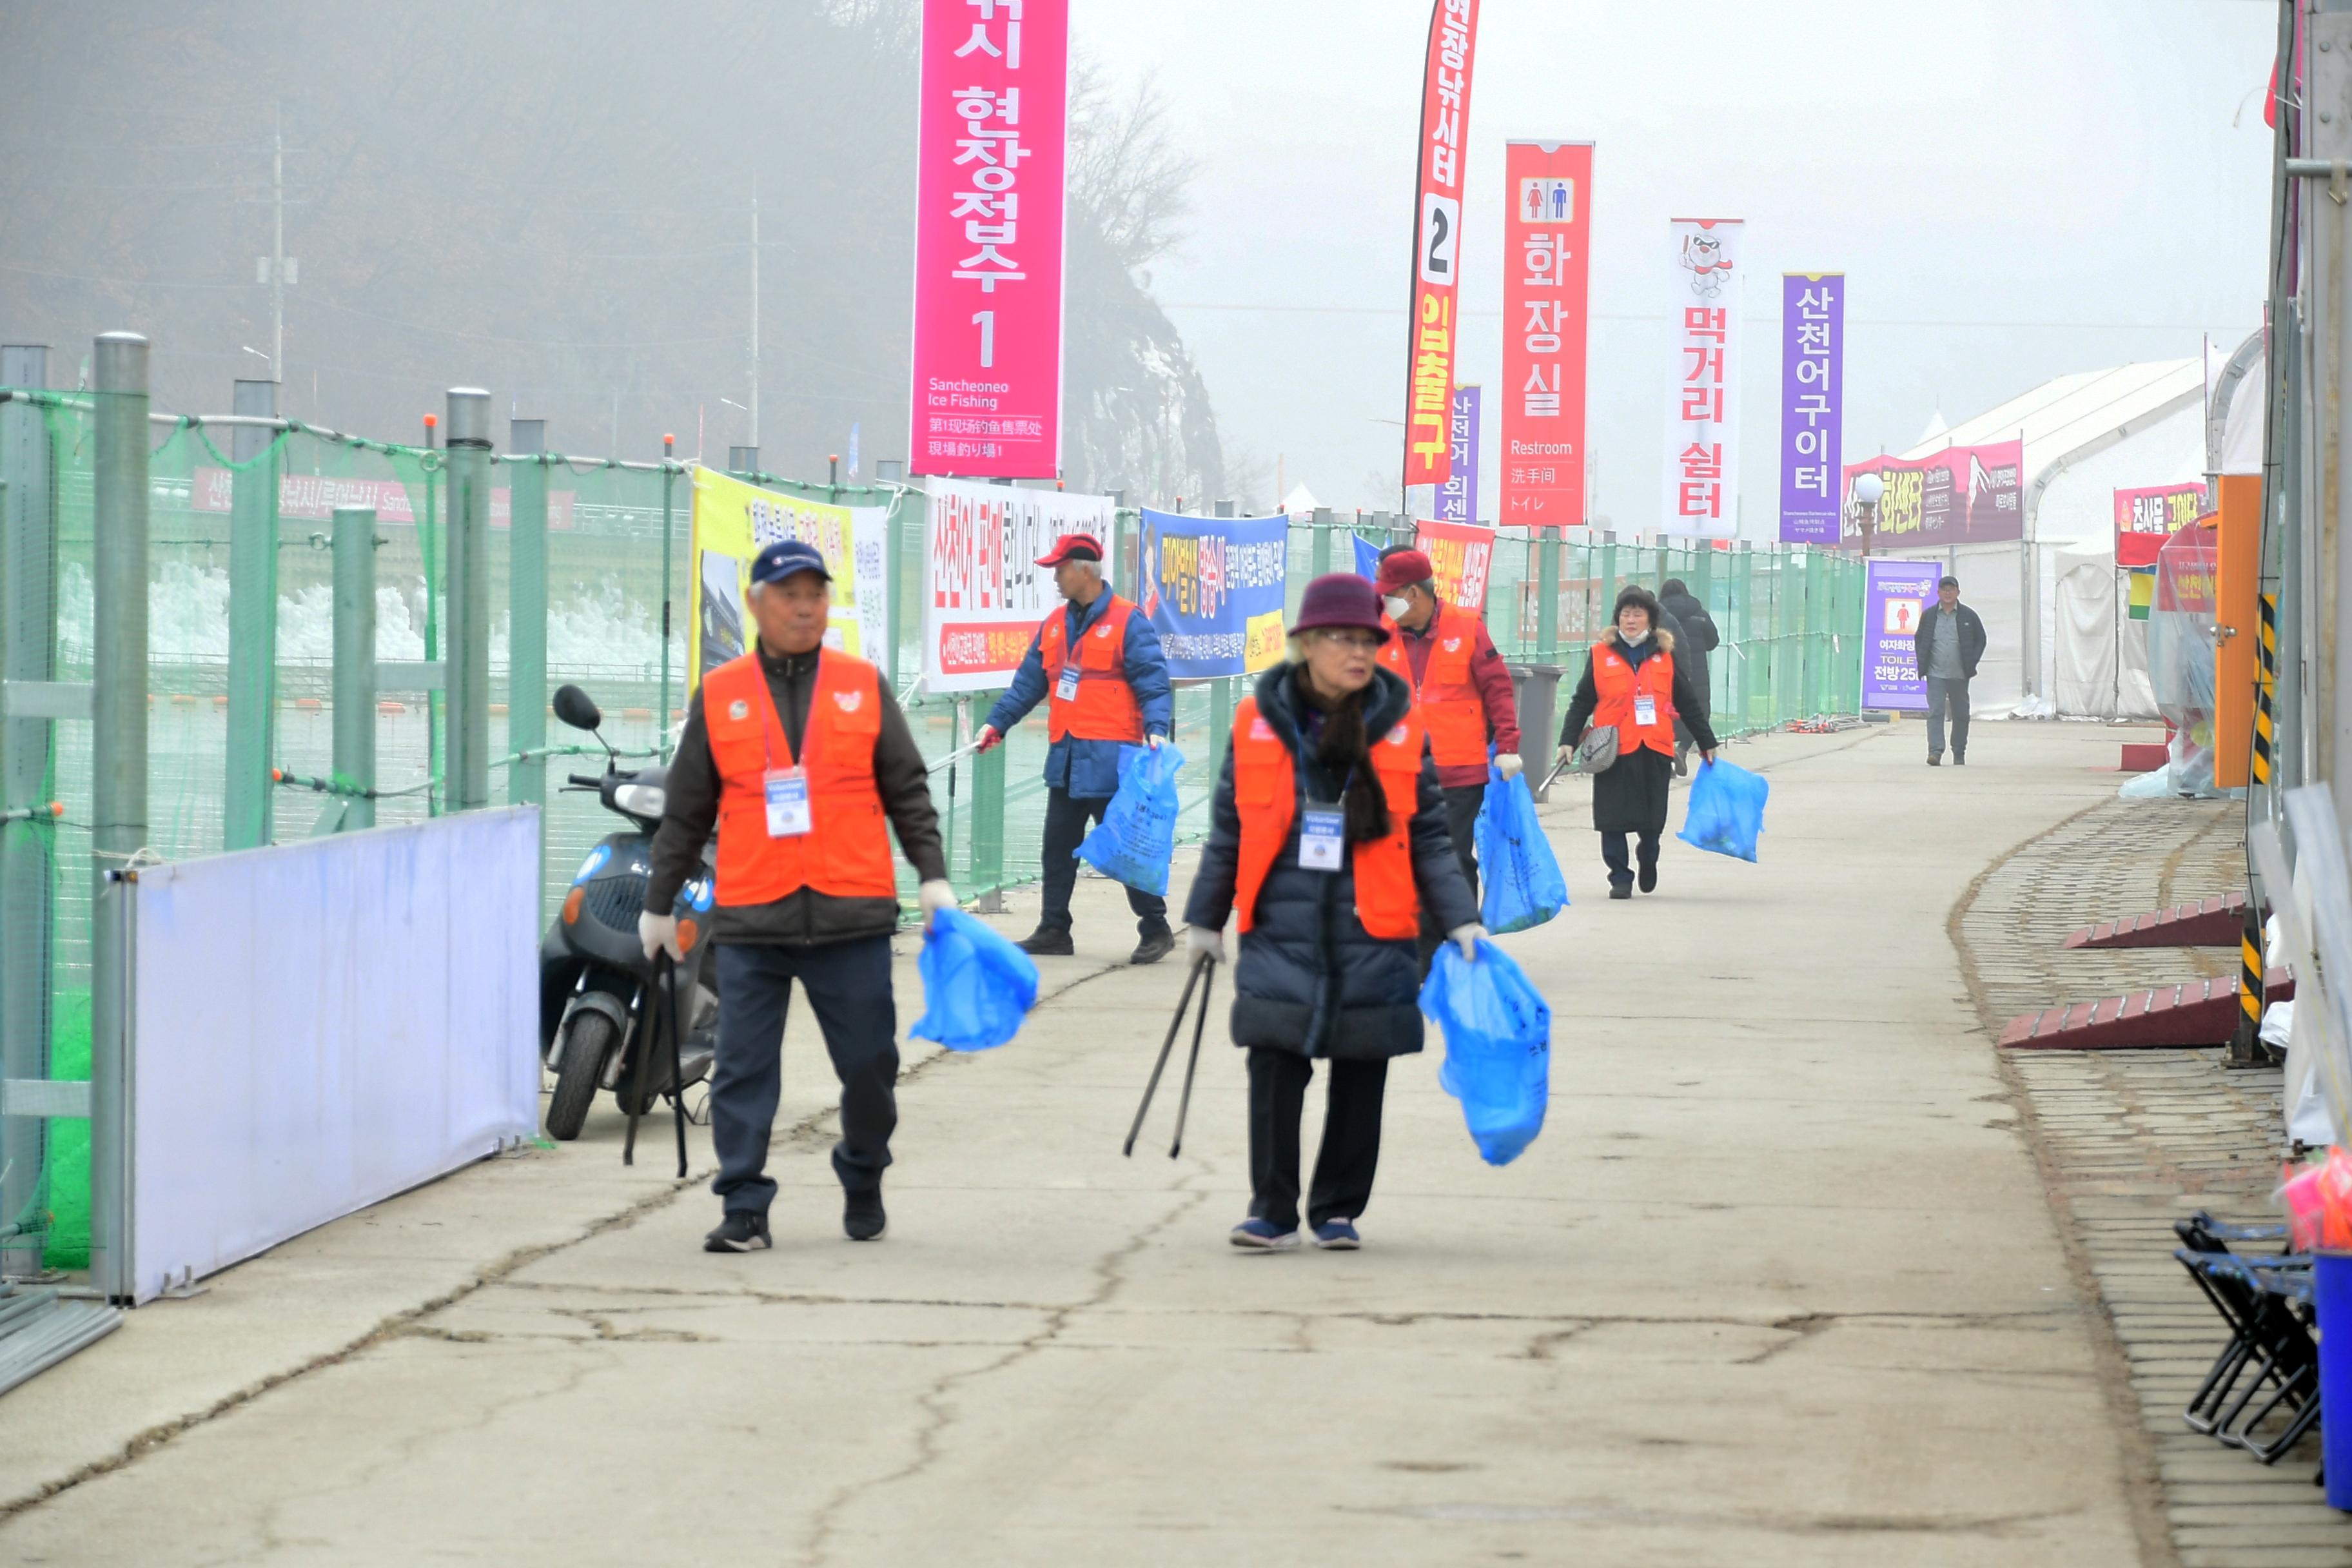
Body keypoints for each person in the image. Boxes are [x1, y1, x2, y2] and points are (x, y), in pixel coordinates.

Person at [643, 540, 956, 1253]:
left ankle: (863, 1167)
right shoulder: (720, 695)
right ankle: (744, 1203)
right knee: (743, 1069)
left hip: (852, 915)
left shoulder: (862, 683)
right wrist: (660, 904)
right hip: (754, 917)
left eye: (816, 591)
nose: (806, 604)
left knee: (872, 1068)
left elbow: (906, 790)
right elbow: (687, 811)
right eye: (789, 592)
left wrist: (931, 875)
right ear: (756, 602)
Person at [1182, 574, 1484, 1251]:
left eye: (1368, 640)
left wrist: (1461, 918)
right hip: (1279, 922)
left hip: (1373, 922)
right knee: (1274, 1063)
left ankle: (1339, 1208)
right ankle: (1272, 1207)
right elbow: (1228, 828)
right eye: (1343, 639)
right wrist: (1205, 918)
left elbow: (1431, 834)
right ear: (1308, 643)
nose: (1359, 651)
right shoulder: (1255, 720)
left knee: (1361, 1069)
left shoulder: (1404, 725)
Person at [977, 533, 1177, 963]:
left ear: (1084, 570)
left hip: (1113, 762)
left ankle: (1156, 928)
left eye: (1060, 569)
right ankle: (1054, 930)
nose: (1056, 578)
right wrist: (997, 725)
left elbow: (1154, 682)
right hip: (1067, 759)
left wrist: (1157, 728)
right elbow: (1028, 685)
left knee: (1126, 848)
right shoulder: (1053, 624)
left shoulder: (1129, 621)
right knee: (1057, 847)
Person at [1371, 547, 1522, 902]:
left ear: (1413, 593)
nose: (1385, 604)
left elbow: (1498, 688)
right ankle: (1420, 940)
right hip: (1398, 770)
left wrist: (1508, 746)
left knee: (1450, 856)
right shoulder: (1381, 634)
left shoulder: (1467, 627)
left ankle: (1459, 935)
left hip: (1458, 772)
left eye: (1390, 596)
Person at [1557, 585, 1720, 899]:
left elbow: (1688, 703)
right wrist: (1568, 740)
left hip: (1654, 747)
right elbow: (1581, 702)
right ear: (1618, 618)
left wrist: (1705, 741)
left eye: (1638, 614)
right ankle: (1619, 875)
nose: (1631, 620)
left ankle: (1648, 856)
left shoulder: (1665, 656)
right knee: (1611, 819)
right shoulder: (1600, 655)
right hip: (1612, 748)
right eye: (1625, 614)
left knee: (1652, 819)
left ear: (1651, 620)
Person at [1912, 574, 1985, 767]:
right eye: (1944, 589)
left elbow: (1981, 640)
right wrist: (1923, 661)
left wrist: (1971, 662)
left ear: (1958, 593)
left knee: (1961, 714)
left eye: (1951, 589)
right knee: (1936, 712)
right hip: (1935, 673)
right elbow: (1919, 639)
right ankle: (1935, 752)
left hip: (1959, 674)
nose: (1947, 593)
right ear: (1938, 593)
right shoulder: (1929, 615)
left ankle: (1959, 751)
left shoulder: (1968, 616)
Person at [1657, 577, 1720, 775]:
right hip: (1697, 673)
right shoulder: (1699, 614)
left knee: (1664, 714)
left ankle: (1666, 758)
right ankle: (1682, 749)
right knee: (1698, 714)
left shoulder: (1658, 616)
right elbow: (1713, 641)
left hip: (1665, 672)